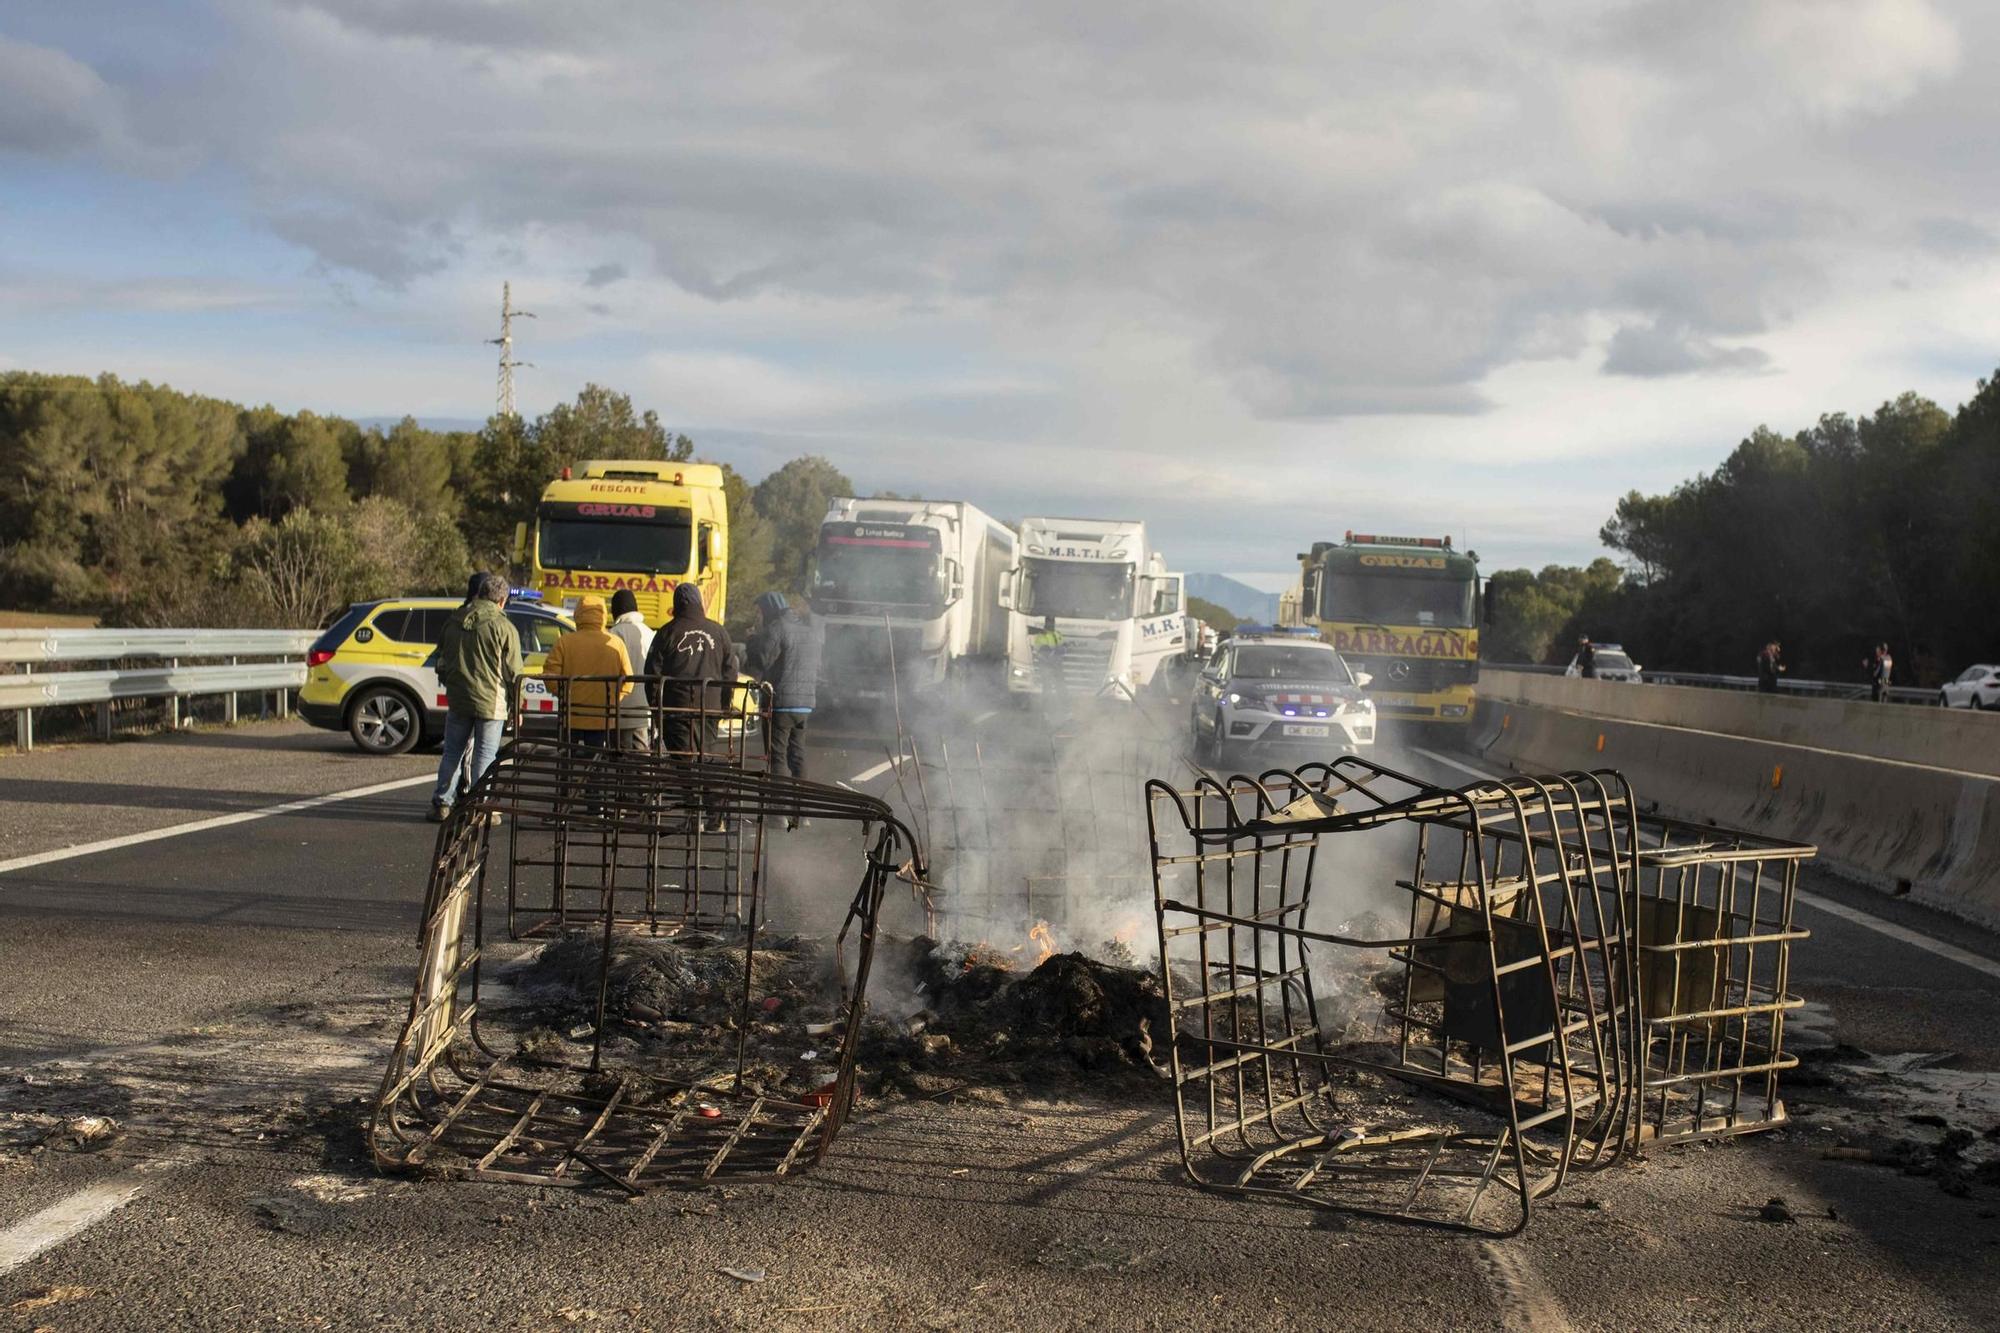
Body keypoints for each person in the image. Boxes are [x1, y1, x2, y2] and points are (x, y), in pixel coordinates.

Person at [430, 573, 521, 822]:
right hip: (491, 701)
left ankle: (442, 803)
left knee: (452, 752)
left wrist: (451, 682)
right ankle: (481, 808)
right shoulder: (504, 627)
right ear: (501, 601)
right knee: (485, 755)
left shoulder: (455, 621)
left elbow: (440, 659)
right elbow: (514, 672)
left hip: (459, 698)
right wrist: (516, 705)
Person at [744, 590, 823, 828]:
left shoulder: (777, 628)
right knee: (797, 755)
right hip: (805, 703)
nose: (760, 615)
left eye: (761, 611)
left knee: (777, 755)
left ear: (769, 609)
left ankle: (778, 815)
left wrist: (751, 641)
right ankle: (802, 814)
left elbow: (761, 659)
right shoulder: (810, 632)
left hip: (781, 702)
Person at [645, 582, 737, 762]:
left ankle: (691, 788)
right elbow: (730, 671)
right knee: (705, 755)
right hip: (711, 706)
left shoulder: (667, 632)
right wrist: (724, 704)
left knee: (682, 758)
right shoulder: (719, 632)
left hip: (676, 706)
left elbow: (652, 673)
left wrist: (656, 707)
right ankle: (701, 786)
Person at [540, 595, 632, 747]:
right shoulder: (616, 643)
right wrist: (612, 699)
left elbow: (549, 675)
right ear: (603, 615)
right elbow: (628, 681)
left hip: (571, 713)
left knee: (567, 759)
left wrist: (564, 695)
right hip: (602, 715)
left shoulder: (565, 642)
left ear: (578, 613)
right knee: (595, 763)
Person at [606, 588, 655, 751]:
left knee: (619, 756)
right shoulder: (649, 633)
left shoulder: (613, 634)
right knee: (641, 754)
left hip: (619, 705)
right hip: (645, 706)